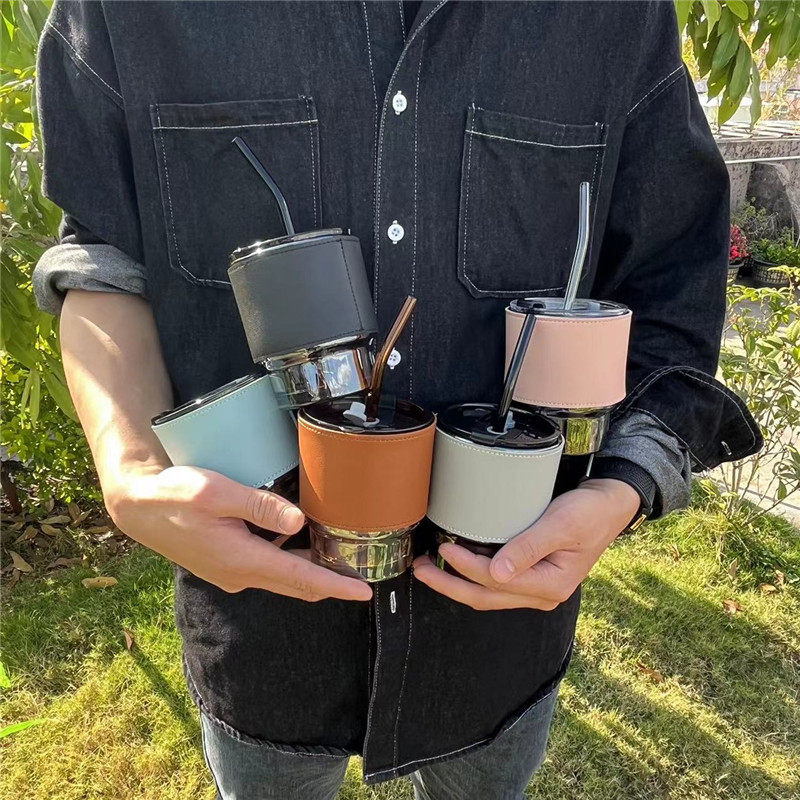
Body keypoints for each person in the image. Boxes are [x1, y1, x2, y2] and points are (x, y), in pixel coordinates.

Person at [33, 2, 760, 798]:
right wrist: (130, 471)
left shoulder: (615, 18)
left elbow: (671, 287)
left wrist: (624, 488)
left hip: (499, 636)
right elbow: (102, 260)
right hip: (260, 631)